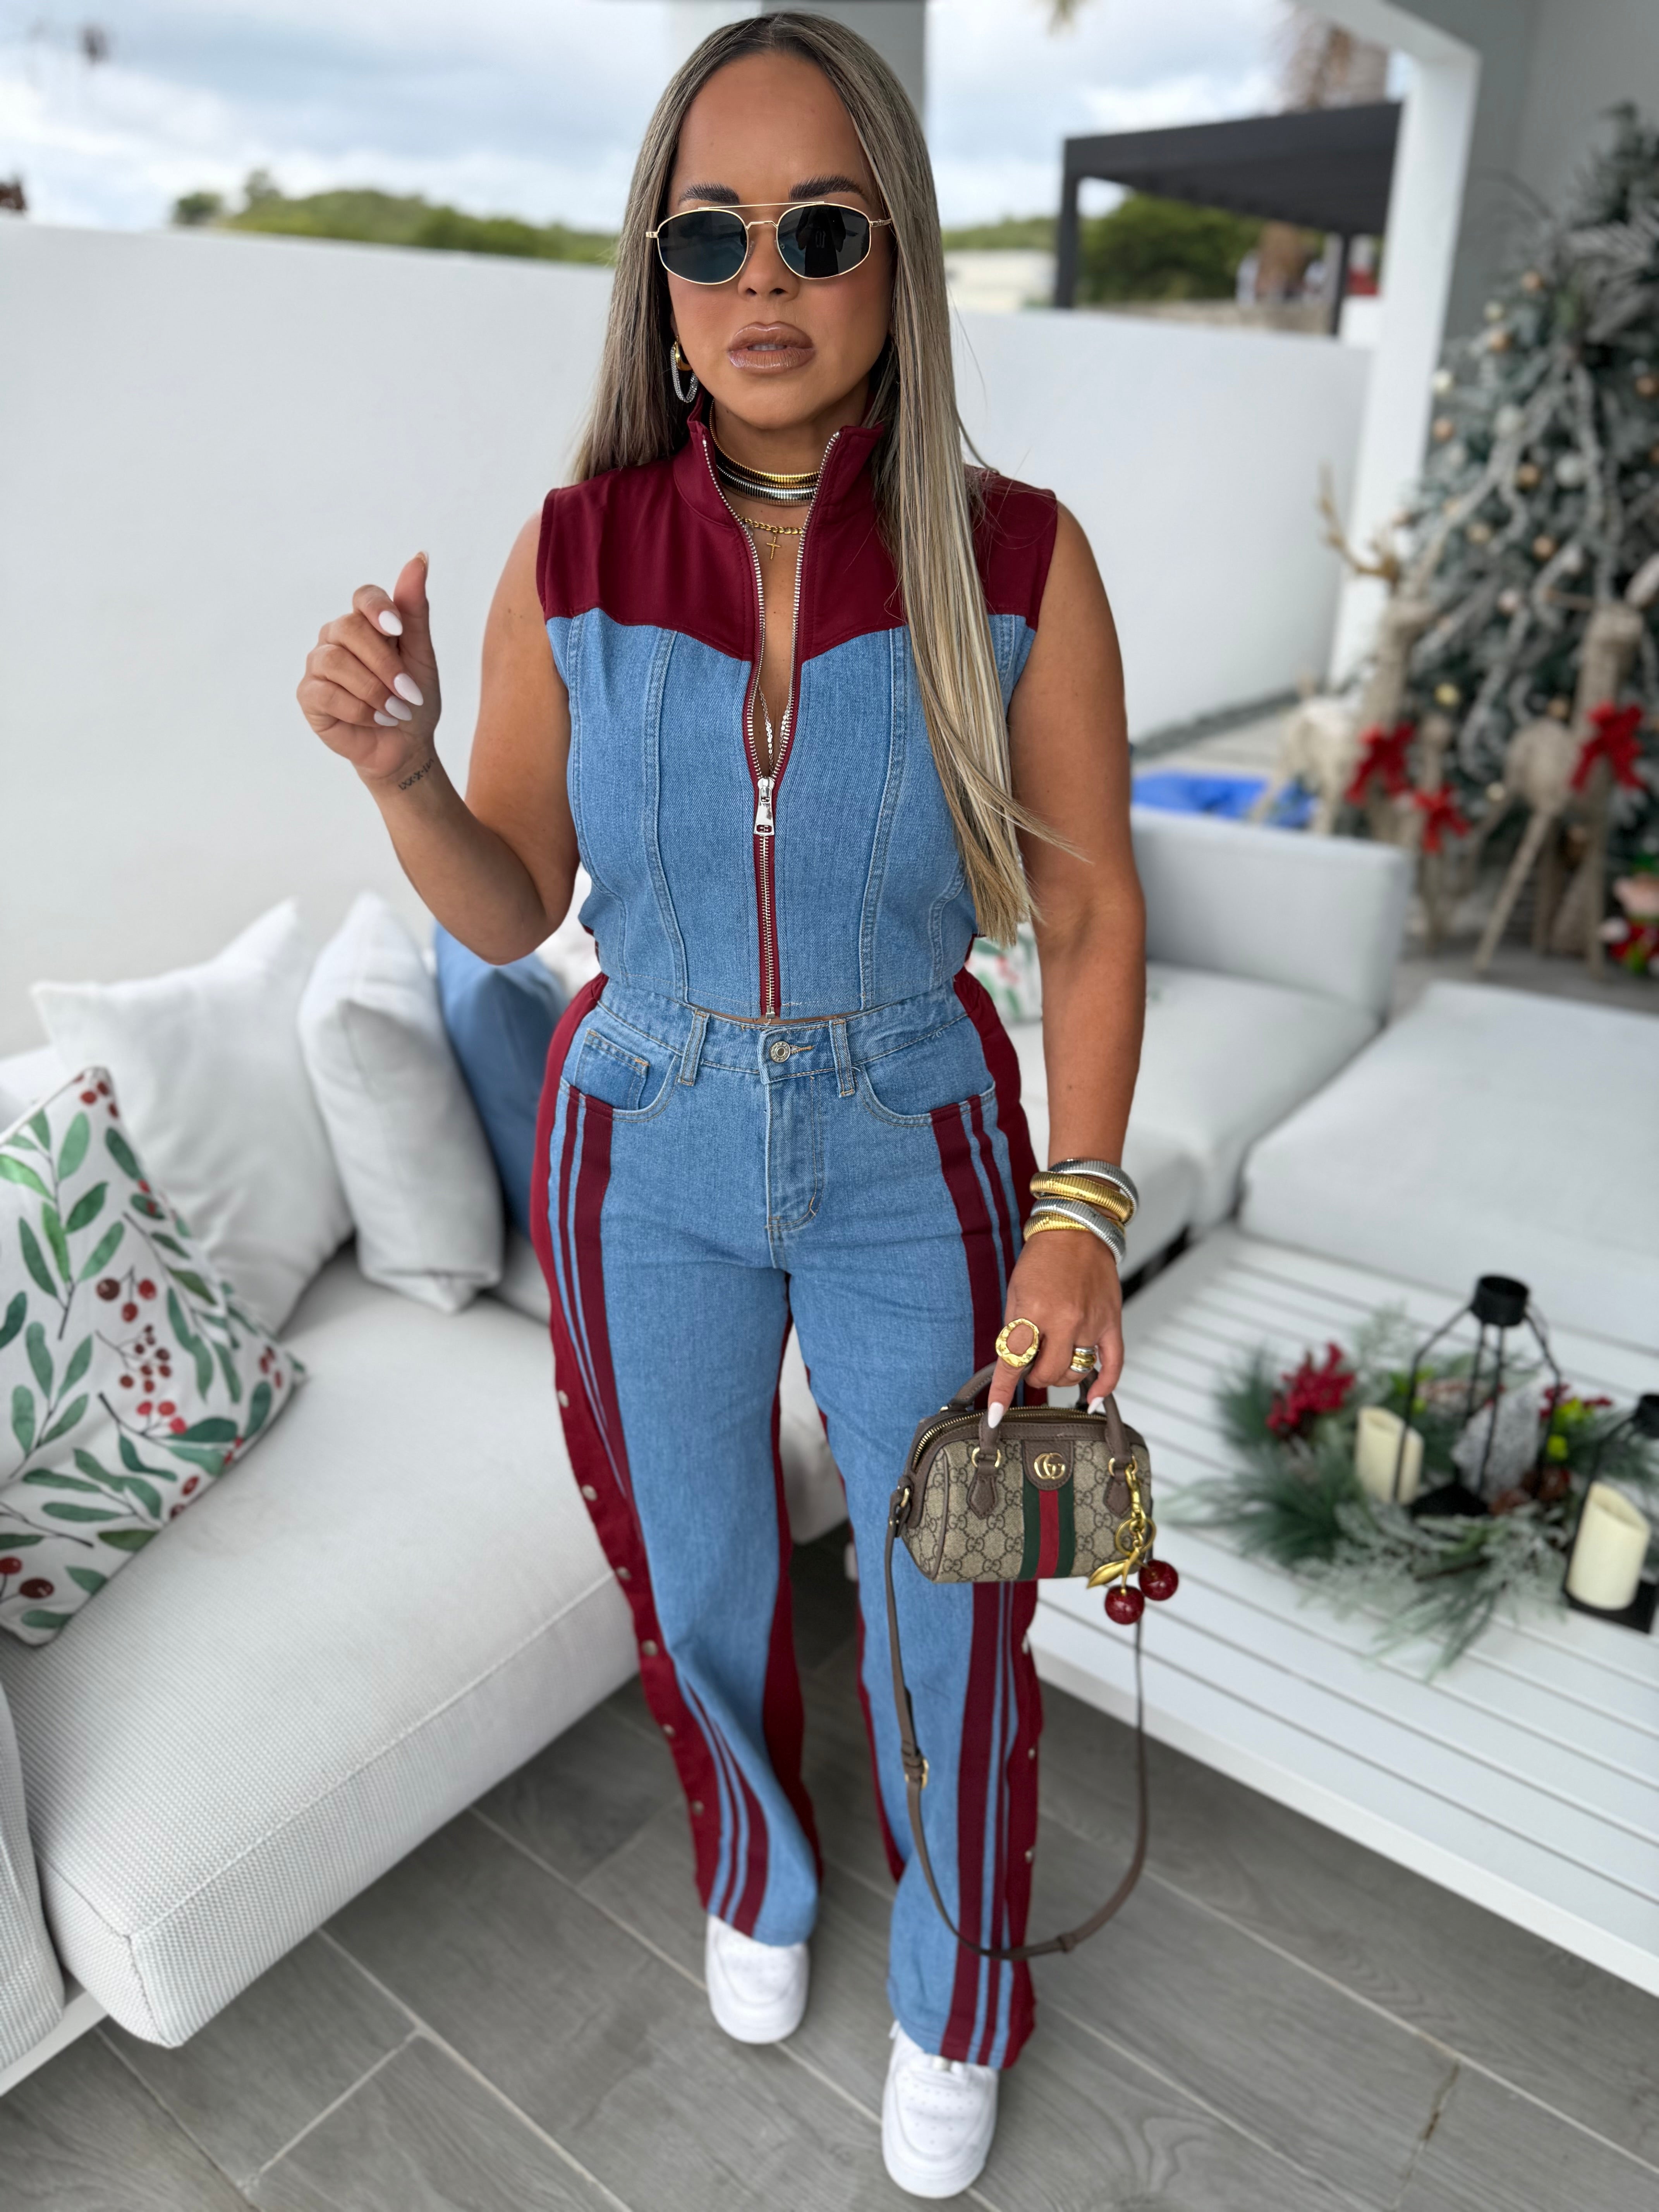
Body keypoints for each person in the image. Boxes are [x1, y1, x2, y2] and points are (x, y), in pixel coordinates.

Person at [297, 14, 1142, 2198]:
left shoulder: (1018, 561)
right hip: (639, 1136)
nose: (763, 279)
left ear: (897, 260)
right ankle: (757, 1867)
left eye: (820, 229)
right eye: (712, 234)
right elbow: (517, 902)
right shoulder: (574, 552)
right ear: (656, 272)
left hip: (916, 1140)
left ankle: (958, 1986)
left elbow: (1086, 913)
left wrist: (1078, 1211)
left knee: (959, 1595)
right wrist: (402, 777)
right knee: (692, 1568)